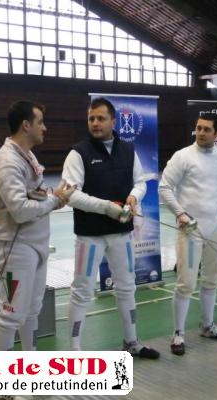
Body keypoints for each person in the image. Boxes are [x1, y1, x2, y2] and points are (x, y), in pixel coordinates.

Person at [62, 97, 159, 359]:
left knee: (127, 286)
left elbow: (140, 182)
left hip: (121, 234)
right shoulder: (78, 153)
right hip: (89, 235)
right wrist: (107, 207)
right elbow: (70, 194)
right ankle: (74, 352)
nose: (95, 123)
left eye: (101, 118)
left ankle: (131, 341)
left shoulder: (128, 149)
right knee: (82, 290)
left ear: (113, 121)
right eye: (91, 118)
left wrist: (134, 197)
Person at [0, 100, 75, 352]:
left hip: (35, 244)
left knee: (32, 310)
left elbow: (34, 195)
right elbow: (19, 210)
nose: (44, 128)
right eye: (40, 122)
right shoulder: (7, 162)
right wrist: (53, 200)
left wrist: (53, 197)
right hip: (15, 249)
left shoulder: (26, 156)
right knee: (11, 314)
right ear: (26, 125)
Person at [159, 112, 217, 355]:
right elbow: (164, 187)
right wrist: (180, 213)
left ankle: (208, 325)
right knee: (186, 283)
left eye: (206, 129)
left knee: (212, 279)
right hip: (190, 229)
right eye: (199, 128)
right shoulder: (182, 156)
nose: (201, 132)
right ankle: (178, 334)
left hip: (215, 227)